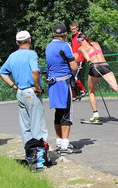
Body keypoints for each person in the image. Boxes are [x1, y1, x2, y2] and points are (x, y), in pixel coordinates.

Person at [0, 30, 48, 155]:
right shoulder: (31, 54)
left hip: (20, 92)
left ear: (17, 42)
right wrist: (38, 88)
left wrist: (14, 86)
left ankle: (29, 154)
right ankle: (40, 155)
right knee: (37, 125)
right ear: (30, 40)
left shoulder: (12, 56)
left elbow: (2, 73)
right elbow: (35, 72)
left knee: (25, 126)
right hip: (31, 92)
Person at [77, 33, 118, 123]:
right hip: (105, 66)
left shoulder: (81, 48)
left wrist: (89, 61)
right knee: (115, 86)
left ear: (82, 40)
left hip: (95, 67)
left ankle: (95, 115)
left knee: (91, 91)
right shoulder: (96, 44)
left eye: (79, 41)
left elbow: (86, 56)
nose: (79, 43)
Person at [45, 23, 79, 154]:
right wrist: (75, 70)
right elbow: (73, 66)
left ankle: (59, 142)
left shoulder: (48, 46)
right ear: (65, 34)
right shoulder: (65, 45)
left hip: (53, 83)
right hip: (64, 83)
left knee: (58, 113)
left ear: (54, 34)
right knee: (66, 113)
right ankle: (65, 144)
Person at [69, 22, 87, 101]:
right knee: (71, 77)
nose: (73, 30)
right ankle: (75, 95)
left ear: (77, 28)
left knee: (75, 76)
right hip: (74, 59)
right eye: (71, 29)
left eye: (74, 29)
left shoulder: (80, 36)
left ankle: (83, 90)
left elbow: (86, 44)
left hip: (80, 59)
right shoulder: (71, 37)